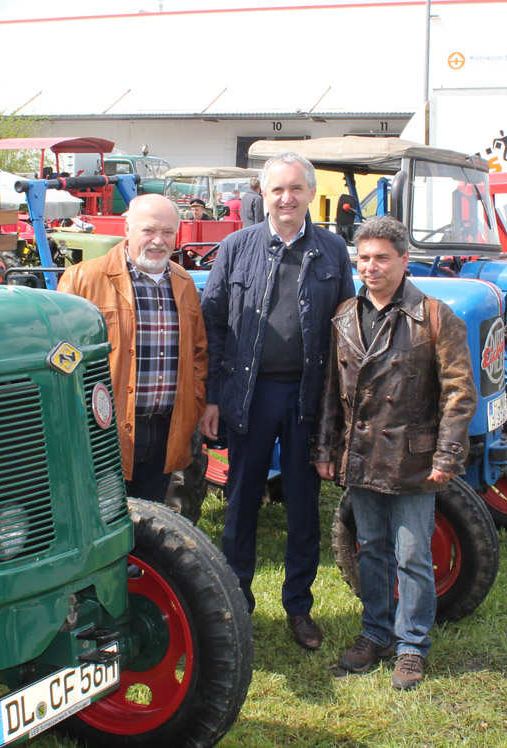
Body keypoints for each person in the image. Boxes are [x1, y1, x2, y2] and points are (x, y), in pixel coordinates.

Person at [312, 215, 476, 690]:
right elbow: (329, 391)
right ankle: (376, 633)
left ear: (405, 261)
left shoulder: (434, 316)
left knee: (412, 556)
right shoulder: (344, 316)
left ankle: (411, 647)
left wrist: (446, 455)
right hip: (360, 454)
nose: (371, 267)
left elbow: (459, 392)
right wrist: (325, 447)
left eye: (382, 257)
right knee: (372, 551)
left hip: (413, 459)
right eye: (363, 258)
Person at [199, 152, 353, 647]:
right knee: (241, 500)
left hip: (307, 396)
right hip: (250, 394)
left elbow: (345, 328)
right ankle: (236, 603)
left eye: (295, 189)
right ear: (262, 195)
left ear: (310, 193)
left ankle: (299, 607)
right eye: (277, 190)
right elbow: (215, 325)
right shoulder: (236, 248)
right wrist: (214, 398)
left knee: (304, 505)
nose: (286, 198)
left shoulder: (333, 250)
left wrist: (341, 405)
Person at [58, 194, 208, 504]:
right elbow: (62, 360)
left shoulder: (183, 283)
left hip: (166, 430)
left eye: (168, 232)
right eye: (149, 231)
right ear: (127, 228)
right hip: (105, 434)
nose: (158, 241)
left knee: (150, 522)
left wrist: (192, 403)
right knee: (103, 518)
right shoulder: (83, 279)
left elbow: (197, 354)